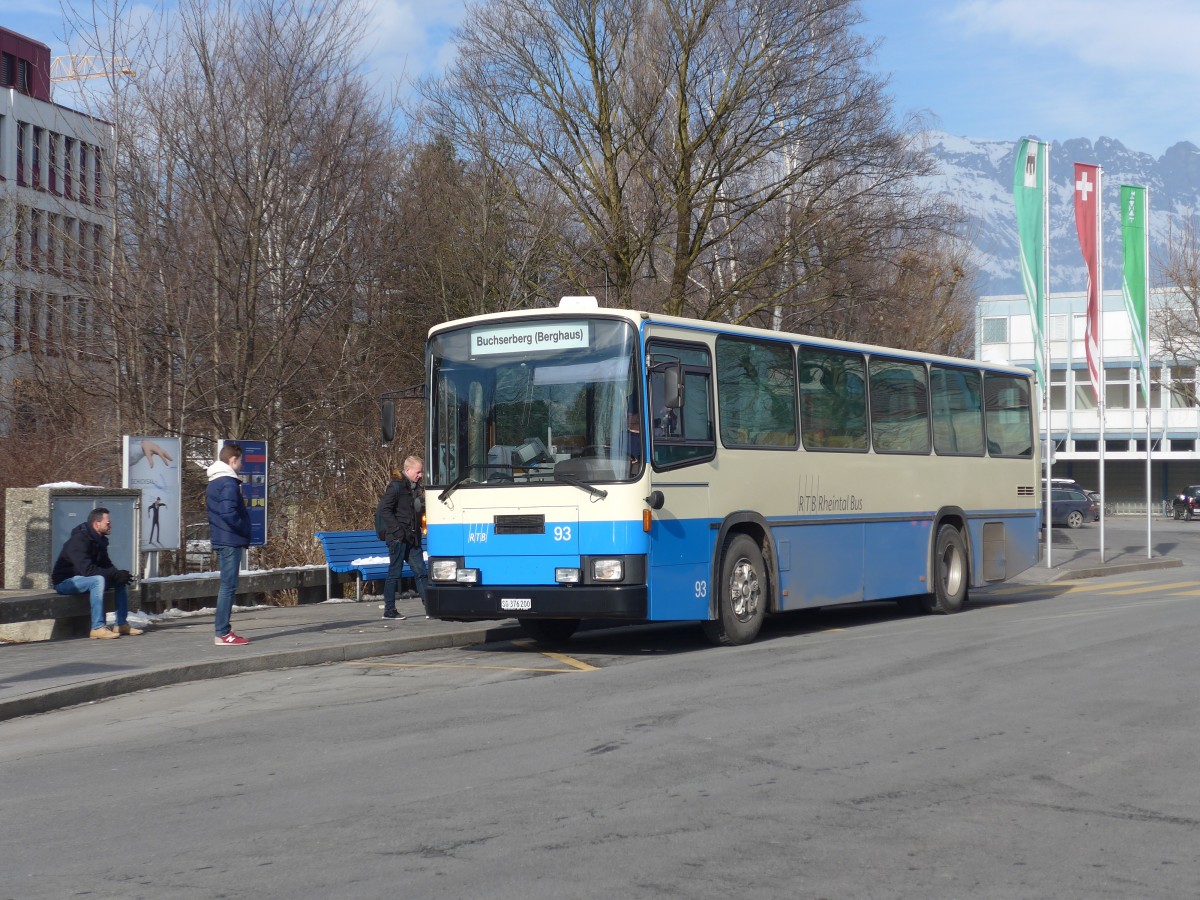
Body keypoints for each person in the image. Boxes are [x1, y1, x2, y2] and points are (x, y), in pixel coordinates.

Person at [52, 507, 140, 640]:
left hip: (84, 579)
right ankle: (97, 627)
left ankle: (121, 624)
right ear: (96, 523)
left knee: (120, 582)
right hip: (66, 582)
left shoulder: (99, 541)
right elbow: (87, 571)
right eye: (108, 523)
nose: (111, 525)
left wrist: (118, 574)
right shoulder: (79, 541)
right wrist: (113, 574)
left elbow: (107, 565)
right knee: (97, 580)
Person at [207, 442, 252, 646]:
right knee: (228, 587)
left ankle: (222, 631)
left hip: (223, 538)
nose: (242, 464)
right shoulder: (228, 483)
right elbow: (228, 513)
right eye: (240, 460)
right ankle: (223, 632)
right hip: (230, 540)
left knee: (227, 586)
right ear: (233, 460)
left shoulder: (216, 481)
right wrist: (244, 528)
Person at [376, 456, 428, 620]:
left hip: (412, 538)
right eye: (418, 472)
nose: (420, 475)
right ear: (407, 470)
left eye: (421, 472)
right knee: (394, 573)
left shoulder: (414, 488)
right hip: (398, 538)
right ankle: (389, 611)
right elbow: (385, 511)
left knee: (421, 572)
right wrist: (398, 532)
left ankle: (431, 607)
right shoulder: (396, 486)